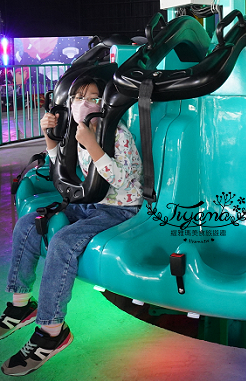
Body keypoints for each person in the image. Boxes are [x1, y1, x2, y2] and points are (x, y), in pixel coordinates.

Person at [1, 76, 142, 375]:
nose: (84, 103)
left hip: (119, 209)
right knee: (29, 223)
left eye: (92, 97)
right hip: (89, 204)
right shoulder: (76, 133)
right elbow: (61, 166)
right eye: (78, 97)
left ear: (104, 105)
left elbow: (120, 181)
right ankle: (19, 304)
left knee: (64, 242)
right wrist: (50, 136)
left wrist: (93, 146)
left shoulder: (118, 135)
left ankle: (52, 331)